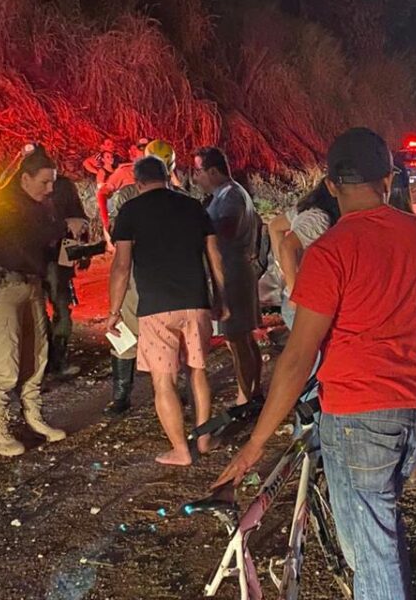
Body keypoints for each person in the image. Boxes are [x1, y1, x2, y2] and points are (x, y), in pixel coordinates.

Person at [214, 128, 416, 599]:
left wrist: (255, 444)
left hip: (359, 416)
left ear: (332, 185)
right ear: (389, 177)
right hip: (414, 411)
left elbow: (298, 358)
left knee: (371, 556)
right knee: (379, 534)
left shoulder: (331, 252)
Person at [107, 155, 229, 465]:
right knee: (197, 373)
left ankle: (180, 450)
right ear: (167, 176)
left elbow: (121, 266)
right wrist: (221, 299)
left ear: (138, 183)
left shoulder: (130, 211)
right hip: (196, 302)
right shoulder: (193, 207)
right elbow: (215, 257)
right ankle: (203, 439)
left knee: (164, 380)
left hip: (156, 308)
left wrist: (114, 310)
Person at [0, 148, 65, 456]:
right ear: (24, 178)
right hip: (4, 287)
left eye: (52, 182)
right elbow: (25, 240)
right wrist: (58, 229)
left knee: (36, 357)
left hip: (31, 285)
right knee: (6, 362)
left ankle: (33, 417)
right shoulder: (1, 203)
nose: (50, 189)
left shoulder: (39, 204)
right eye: (44, 182)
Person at [194, 146, 262, 405]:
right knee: (243, 336)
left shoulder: (230, 196)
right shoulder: (226, 194)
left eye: (199, 171)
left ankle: (245, 398)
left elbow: (225, 228)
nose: (196, 178)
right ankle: (252, 391)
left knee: (236, 338)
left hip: (232, 270)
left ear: (213, 170)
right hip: (235, 269)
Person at [101, 143, 165, 415]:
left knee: (126, 330)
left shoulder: (128, 197)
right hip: (158, 273)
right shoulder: (178, 198)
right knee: (154, 333)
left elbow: (118, 240)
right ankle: (132, 393)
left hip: (140, 271)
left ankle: (122, 395)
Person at [267, 180, 339, 329]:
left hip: (301, 301)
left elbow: (275, 226)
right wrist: (295, 291)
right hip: (304, 303)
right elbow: (287, 246)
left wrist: (284, 267)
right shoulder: (319, 219)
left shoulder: (306, 211)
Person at [44, 173, 89, 378]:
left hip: (56, 256)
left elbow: (80, 218)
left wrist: (83, 249)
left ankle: (56, 359)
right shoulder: (18, 187)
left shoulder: (62, 186)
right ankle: (51, 361)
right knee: (49, 310)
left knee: (60, 307)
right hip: (38, 258)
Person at [96, 137, 150, 240]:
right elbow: (102, 193)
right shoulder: (125, 171)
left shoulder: (163, 172)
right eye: (141, 149)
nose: (144, 152)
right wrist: (106, 222)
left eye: (147, 148)